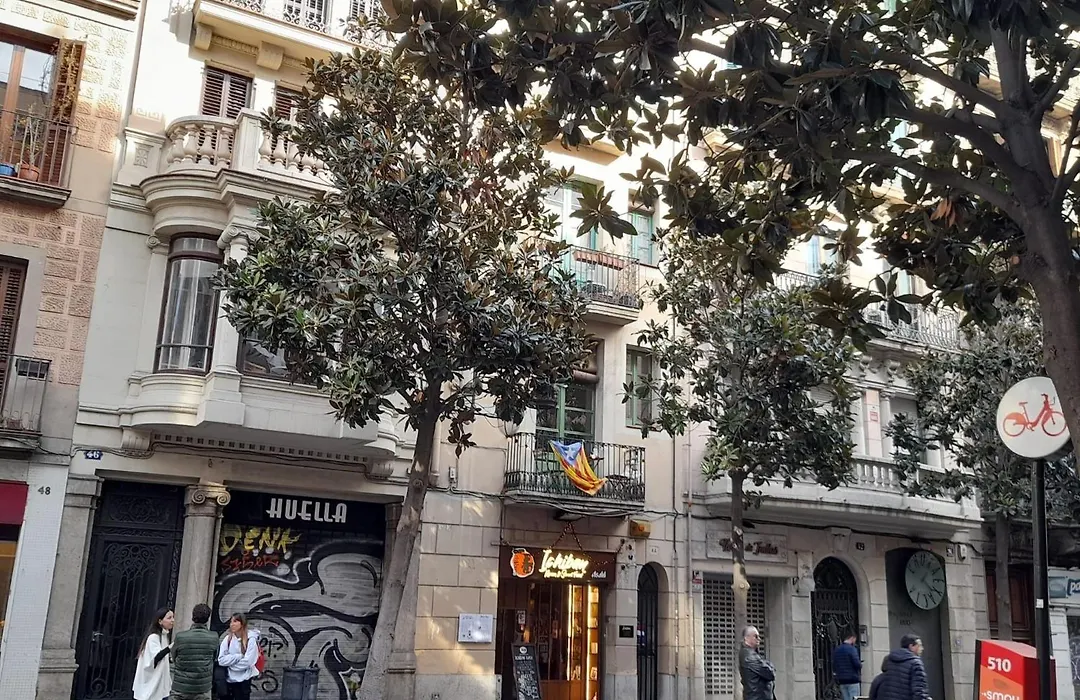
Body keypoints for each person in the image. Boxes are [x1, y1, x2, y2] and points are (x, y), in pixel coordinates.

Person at [170, 604, 218, 700]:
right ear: (208, 618)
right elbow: (214, 657)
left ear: (193, 617)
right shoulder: (214, 637)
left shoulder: (180, 637)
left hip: (181, 686)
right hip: (202, 687)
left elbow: (174, 656)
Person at [133, 607, 175, 700]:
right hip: (152, 683)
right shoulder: (153, 637)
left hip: (161, 683)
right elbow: (156, 657)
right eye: (169, 618)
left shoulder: (164, 636)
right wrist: (171, 646)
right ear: (160, 621)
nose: (172, 620)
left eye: (173, 617)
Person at [217, 612, 260, 700]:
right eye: (231, 622)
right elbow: (221, 660)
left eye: (235, 621)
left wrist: (230, 664)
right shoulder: (227, 639)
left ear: (242, 623)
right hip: (229, 681)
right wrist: (238, 656)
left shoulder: (250, 639)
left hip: (244, 682)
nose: (232, 624)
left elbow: (248, 662)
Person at [873, 634, 930, 700]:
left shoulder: (890, 660)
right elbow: (919, 690)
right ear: (911, 646)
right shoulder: (915, 663)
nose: (922, 648)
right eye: (919, 646)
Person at [738, 625, 776, 700]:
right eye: (755, 636)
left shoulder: (751, 654)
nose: (759, 639)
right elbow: (770, 673)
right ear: (746, 638)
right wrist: (770, 667)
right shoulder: (749, 656)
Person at [832, 629, 863, 700]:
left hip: (842, 680)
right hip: (852, 680)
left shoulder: (837, 649)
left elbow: (835, 664)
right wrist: (860, 665)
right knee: (854, 698)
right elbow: (856, 664)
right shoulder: (852, 649)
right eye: (854, 639)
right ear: (852, 638)